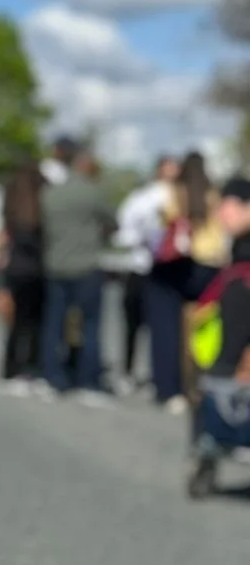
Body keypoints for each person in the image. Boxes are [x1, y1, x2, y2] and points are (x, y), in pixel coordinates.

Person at [147, 149, 225, 413]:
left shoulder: (174, 193)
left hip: (179, 264)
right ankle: (204, 384)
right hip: (212, 266)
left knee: (166, 328)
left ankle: (168, 388)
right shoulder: (213, 194)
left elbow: (161, 224)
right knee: (207, 330)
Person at [186, 175, 250, 495]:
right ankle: (206, 457)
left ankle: (208, 453)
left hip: (238, 339)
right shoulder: (236, 246)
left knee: (219, 387)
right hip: (230, 334)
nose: (222, 214)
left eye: (228, 206)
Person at [39, 138, 114, 401]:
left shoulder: (51, 194)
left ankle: (52, 377)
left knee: (53, 325)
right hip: (86, 265)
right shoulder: (92, 192)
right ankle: (88, 381)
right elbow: (112, 221)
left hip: (56, 264)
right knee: (90, 326)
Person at [113, 154, 178, 394]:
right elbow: (126, 230)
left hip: (163, 268)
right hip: (142, 267)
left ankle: (155, 373)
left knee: (158, 327)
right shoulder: (143, 198)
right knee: (134, 324)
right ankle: (129, 370)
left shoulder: (178, 197)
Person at [0, 159, 45, 393]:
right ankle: (31, 367)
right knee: (35, 324)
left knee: (14, 323)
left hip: (15, 269)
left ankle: (9, 368)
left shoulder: (13, 207)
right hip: (38, 270)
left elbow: (2, 239)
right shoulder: (41, 216)